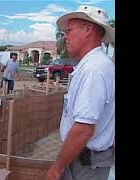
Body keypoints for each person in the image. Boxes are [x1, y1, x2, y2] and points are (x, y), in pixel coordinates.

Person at [46, 5, 115, 180]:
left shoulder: (94, 69)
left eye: (69, 31)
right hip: (84, 159)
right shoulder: (94, 65)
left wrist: (56, 168)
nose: (65, 36)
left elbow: (83, 129)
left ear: (88, 29)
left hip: (86, 164)